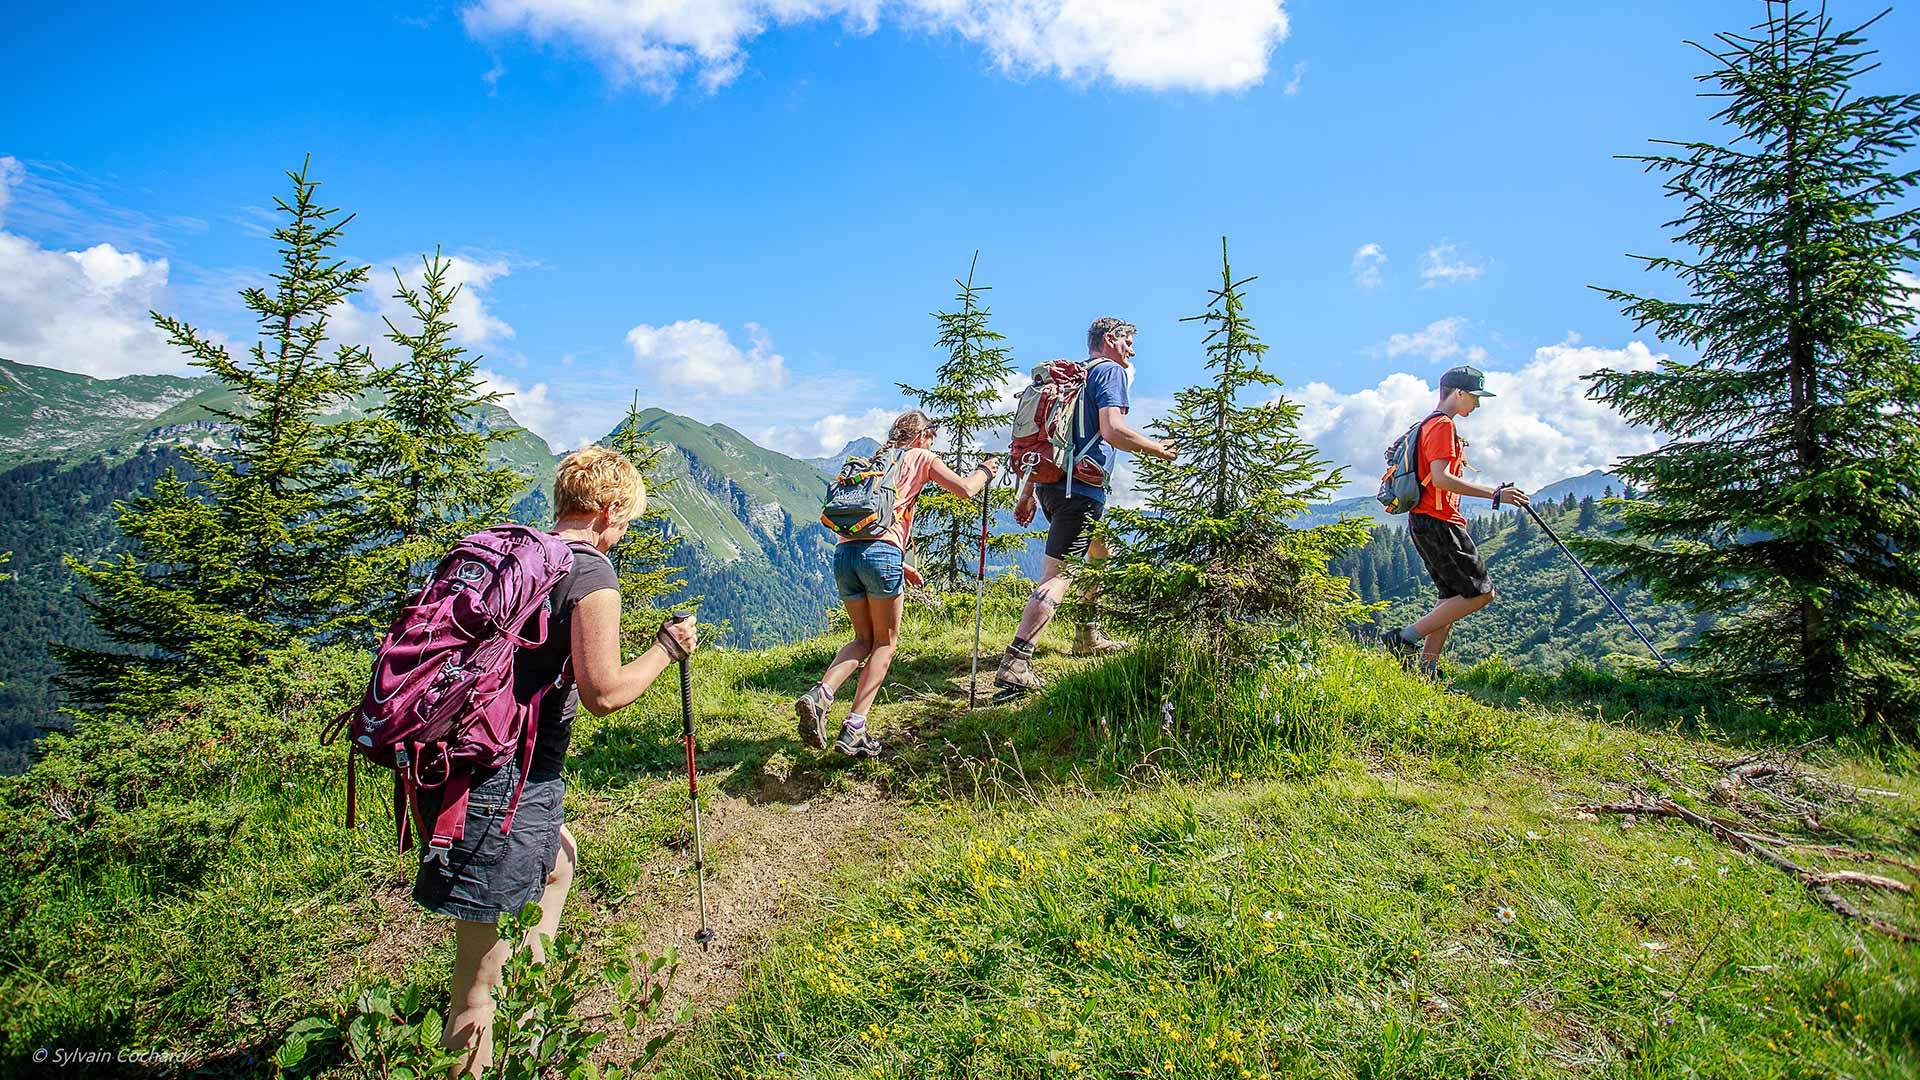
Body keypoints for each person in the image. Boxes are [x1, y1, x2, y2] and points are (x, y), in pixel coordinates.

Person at [415, 446, 699, 1077]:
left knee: (559, 862)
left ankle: (530, 1021)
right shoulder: (590, 573)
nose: (624, 532)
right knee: (474, 982)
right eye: (626, 519)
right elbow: (604, 694)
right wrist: (665, 650)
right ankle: (483, 1048)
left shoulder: (526, 556)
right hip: (502, 782)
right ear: (608, 508)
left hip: (476, 765)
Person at [795, 410, 999, 756]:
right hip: (880, 556)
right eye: (932, 439)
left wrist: (900, 564)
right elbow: (965, 490)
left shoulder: (877, 460)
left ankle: (821, 694)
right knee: (885, 643)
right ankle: (855, 727)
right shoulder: (921, 456)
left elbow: (872, 523)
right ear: (923, 436)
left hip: (845, 555)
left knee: (862, 639)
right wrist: (986, 470)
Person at [994, 317, 1177, 695]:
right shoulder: (1109, 372)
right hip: (1080, 489)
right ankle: (1017, 661)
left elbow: (1046, 440)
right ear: (1110, 340)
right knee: (1058, 575)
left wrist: (1027, 493)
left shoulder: (1072, 379)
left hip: (1051, 483)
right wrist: (1156, 448)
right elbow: (1112, 430)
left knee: (1100, 551)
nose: (1132, 350)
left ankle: (1087, 635)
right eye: (1128, 341)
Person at [1378, 365, 1530, 676]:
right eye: (1475, 397)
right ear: (1458, 393)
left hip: (1425, 521)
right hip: (1440, 521)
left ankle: (1428, 671)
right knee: (1481, 593)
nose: (1478, 404)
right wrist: (1496, 494)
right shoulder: (1442, 426)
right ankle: (1403, 638)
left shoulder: (1427, 425)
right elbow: (1441, 479)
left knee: (1450, 597)